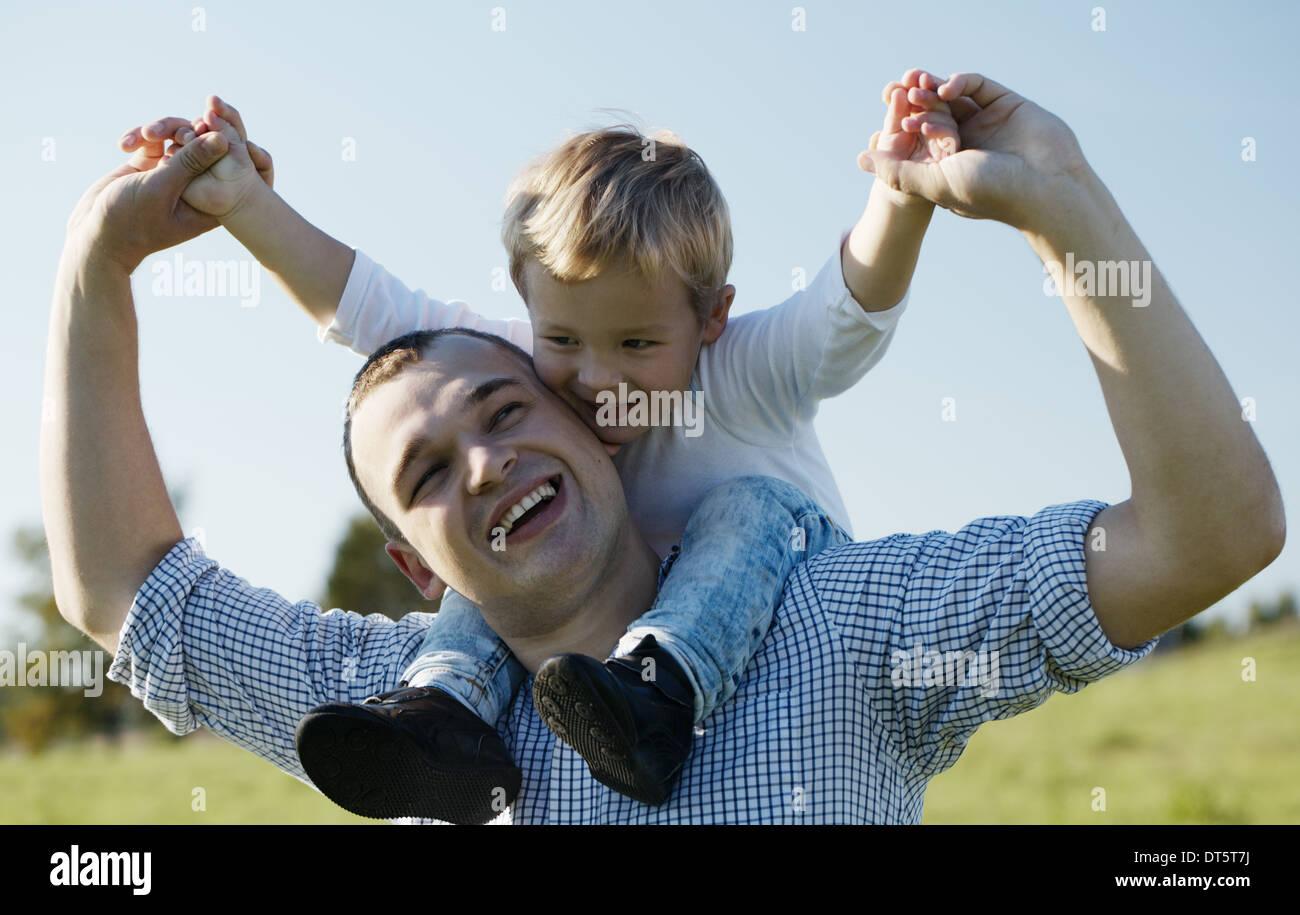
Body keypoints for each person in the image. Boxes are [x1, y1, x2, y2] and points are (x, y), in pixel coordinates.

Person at [42, 72, 1284, 824]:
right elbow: (121, 591)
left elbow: (1209, 538)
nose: (483, 459)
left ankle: (661, 691)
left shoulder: (842, 627)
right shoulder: (396, 727)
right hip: (448, 705)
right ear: (415, 572)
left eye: (506, 411)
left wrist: (1057, 204)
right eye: (426, 476)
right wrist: (99, 260)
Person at [115, 68, 961, 821]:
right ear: (529, 309)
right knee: (476, 547)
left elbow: (844, 313)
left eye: (635, 345)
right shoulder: (519, 370)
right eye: (563, 340)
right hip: (605, 617)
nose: (593, 378)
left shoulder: (746, 371)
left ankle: (660, 697)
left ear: (710, 317)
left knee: (740, 506)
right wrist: (245, 205)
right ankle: (447, 714)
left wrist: (900, 197)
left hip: (777, 588)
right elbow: (370, 310)